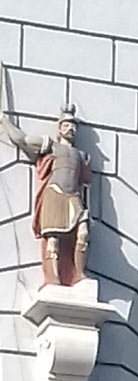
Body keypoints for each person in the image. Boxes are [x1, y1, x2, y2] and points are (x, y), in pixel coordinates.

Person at [0, 102, 89, 285]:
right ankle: (53, 277)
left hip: (73, 197)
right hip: (55, 194)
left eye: (73, 126)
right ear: (59, 129)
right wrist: (4, 121)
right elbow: (23, 140)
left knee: (83, 232)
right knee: (53, 238)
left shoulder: (80, 155)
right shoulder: (52, 146)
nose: (70, 128)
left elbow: (87, 181)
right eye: (66, 125)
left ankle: (79, 274)